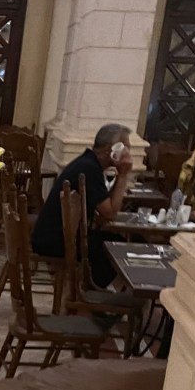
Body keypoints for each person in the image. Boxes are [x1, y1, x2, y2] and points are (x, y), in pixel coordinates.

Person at [31, 123, 133, 288]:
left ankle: (99, 292)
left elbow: (105, 209)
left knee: (118, 241)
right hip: (54, 239)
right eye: (126, 147)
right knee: (114, 249)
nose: (129, 153)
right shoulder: (89, 169)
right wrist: (123, 175)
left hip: (57, 234)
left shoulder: (89, 162)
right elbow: (110, 213)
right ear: (112, 149)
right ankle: (93, 294)